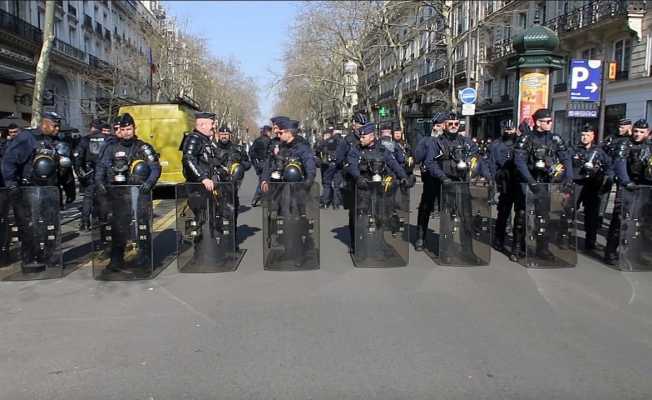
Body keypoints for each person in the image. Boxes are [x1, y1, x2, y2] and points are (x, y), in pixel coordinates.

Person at [1, 112, 71, 272]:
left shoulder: (56, 141)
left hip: (50, 189)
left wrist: (69, 188)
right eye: (55, 125)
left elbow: (65, 167)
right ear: (44, 124)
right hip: (28, 190)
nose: (57, 129)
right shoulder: (27, 138)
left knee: (51, 225)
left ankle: (51, 257)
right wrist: (11, 183)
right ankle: (29, 259)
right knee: (29, 226)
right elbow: (9, 160)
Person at [95, 113, 161, 272]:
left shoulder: (142, 147)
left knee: (142, 225)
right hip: (118, 194)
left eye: (129, 129)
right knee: (119, 227)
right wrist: (100, 183)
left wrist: (150, 182)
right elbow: (101, 167)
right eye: (123, 129)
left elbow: (155, 167)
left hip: (139, 193)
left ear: (134, 128)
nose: (126, 132)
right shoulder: (111, 148)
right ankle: (116, 259)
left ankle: (144, 258)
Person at [512, 108, 573, 262]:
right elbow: (519, 161)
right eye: (547, 121)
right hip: (527, 182)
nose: (550, 123)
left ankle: (542, 248)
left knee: (544, 217)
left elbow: (565, 157)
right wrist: (530, 181)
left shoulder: (555, 139)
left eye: (551, 121)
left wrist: (569, 176)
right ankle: (517, 248)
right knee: (522, 216)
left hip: (547, 183)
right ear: (538, 122)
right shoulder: (526, 138)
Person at [423, 111, 481, 260]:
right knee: (447, 219)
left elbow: (476, 156)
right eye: (451, 124)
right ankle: (446, 250)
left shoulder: (466, 141)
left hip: (463, 183)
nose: (454, 126)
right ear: (445, 125)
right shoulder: (437, 142)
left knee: (466, 219)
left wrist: (473, 168)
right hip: (447, 183)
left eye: (457, 124)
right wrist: (442, 177)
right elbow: (430, 163)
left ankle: (468, 250)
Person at [604, 119, 651, 266]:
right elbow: (620, 163)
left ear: (647, 133)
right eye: (636, 131)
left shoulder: (649, 146)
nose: (638, 134)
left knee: (642, 222)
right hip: (627, 187)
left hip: (644, 188)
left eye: (641, 132)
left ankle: (635, 252)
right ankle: (610, 252)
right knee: (620, 219)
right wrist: (625, 181)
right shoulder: (625, 144)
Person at [571, 124, 612, 252]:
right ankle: (565, 238)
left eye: (587, 135)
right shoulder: (574, 149)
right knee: (570, 211)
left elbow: (609, 165)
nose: (584, 137)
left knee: (592, 215)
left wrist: (607, 177)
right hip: (577, 184)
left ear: (593, 136)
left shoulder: (598, 151)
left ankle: (590, 242)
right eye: (583, 135)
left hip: (593, 185)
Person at [414, 112, 446, 251]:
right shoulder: (426, 140)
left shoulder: (449, 139)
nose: (437, 128)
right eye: (435, 125)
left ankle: (447, 240)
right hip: (430, 179)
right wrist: (430, 140)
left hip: (447, 178)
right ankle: (421, 237)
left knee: (449, 209)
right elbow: (417, 157)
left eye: (439, 125)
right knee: (426, 207)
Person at [73, 119, 113, 230]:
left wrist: (80, 172)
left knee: (88, 197)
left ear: (92, 128)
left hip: (90, 172)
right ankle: (104, 220)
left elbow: (77, 157)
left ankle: (85, 222)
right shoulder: (108, 139)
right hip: (105, 173)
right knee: (105, 196)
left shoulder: (85, 140)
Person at [336, 112, 367, 252]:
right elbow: (339, 159)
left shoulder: (368, 138)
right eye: (360, 125)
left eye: (363, 125)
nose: (361, 128)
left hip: (367, 179)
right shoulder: (347, 140)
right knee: (355, 212)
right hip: (351, 180)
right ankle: (355, 241)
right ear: (354, 125)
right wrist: (347, 167)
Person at [487, 120, 518, 253]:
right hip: (505, 180)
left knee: (521, 213)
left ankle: (518, 242)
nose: (509, 132)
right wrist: (495, 180)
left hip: (519, 180)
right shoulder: (496, 145)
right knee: (503, 212)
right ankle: (499, 239)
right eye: (507, 130)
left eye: (511, 130)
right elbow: (492, 164)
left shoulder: (521, 142)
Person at [249, 125, 272, 207]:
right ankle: (257, 198)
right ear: (267, 132)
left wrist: (255, 164)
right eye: (270, 131)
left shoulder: (257, 141)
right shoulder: (270, 141)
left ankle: (261, 198)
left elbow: (251, 153)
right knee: (264, 181)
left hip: (260, 163)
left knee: (262, 180)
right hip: (267, 163)